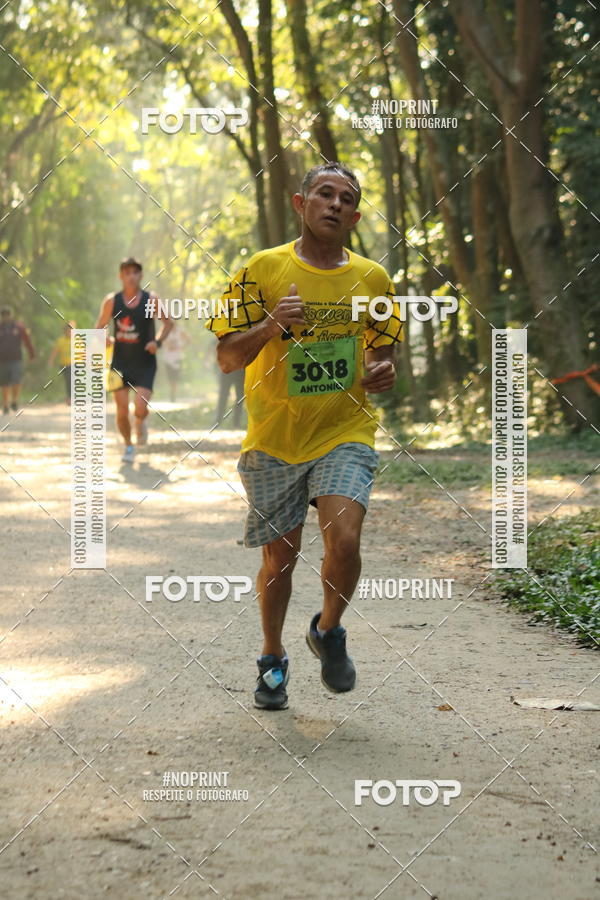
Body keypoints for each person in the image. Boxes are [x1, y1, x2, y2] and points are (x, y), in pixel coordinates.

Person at [207, 162, 403, 710]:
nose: (334, 204)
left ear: (356, 216)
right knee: (281, 560)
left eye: (346, 198)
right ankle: (272, 659)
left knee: (345, 540)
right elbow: (225, 357)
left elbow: (381, 353)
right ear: (301, 203)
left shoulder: (373, 279)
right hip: (273, 439)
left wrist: (382, 370)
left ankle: (329, 629)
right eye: (324, 194)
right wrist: (271, 325)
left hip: (345, 430)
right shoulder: (261, 269)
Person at [95, 257, 172, 462]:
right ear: (121, 276)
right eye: (127, 272)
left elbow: (168, 323)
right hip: (119, 363)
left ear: (141, 276)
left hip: (145, 361)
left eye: (135, 272)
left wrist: (157, 342)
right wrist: (106, 339)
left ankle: (140, 421)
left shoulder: (151, 299)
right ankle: (128, 447)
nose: (131, 276)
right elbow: (99, 328)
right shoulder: (112, 301)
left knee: (139, 406)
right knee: (121, 411)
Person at [0, 305, 35, 414]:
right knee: (4, 383)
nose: (6, 317)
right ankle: (5, 404)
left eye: (8, 314)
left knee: (16, 380)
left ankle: (14, 400)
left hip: (16, 359)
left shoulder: (19, 327)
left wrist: (31, 354)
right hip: (2, 360)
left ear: (11, 315)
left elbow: (27, 340)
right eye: (4, 315)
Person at [160, 322, 190, 402]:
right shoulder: (165, 330)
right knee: (170, 378)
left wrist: (182, 346)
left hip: (177, 358)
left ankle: (173, 395)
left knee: (175, 378)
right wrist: (169, 345)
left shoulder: (180, 331)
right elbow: (162, 341)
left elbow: (188, 340)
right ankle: (171, 392)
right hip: (168, 359)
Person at [49, 320, 76, 404]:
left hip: (76, 364)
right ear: (65, 331)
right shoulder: (61, 341)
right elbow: (55, 352)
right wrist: (51, 361)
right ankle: (70, 397)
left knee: (74, 380)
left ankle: (73, 397)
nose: (70, 332)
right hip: (65, 365)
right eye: (68, 330)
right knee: (68, 381)